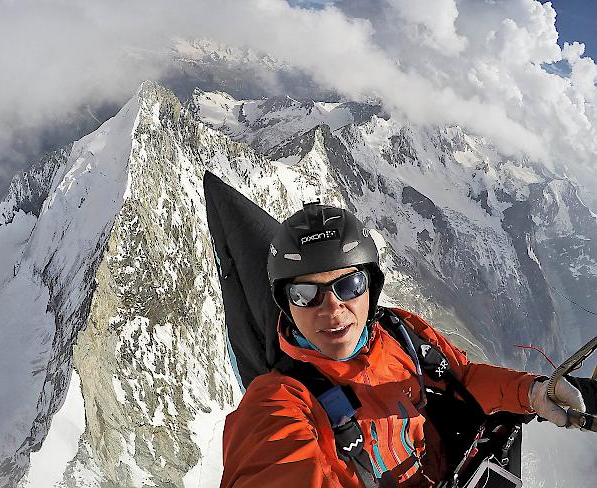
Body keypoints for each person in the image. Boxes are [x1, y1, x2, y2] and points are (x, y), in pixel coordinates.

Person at [220, 203, 586, 487]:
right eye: (306, 294)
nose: (332, 309)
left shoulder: (402, 333)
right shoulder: (278, 401)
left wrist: (531, 392)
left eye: (348, 286)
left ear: (371, 288)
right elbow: (273, 467)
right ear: (286, 304)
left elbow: (461, 379)